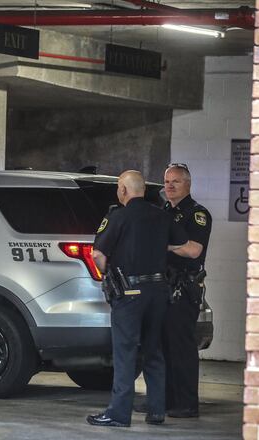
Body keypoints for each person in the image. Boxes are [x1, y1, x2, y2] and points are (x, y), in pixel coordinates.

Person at [86, 170, 189, 428]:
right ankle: (156, 410)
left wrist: (106, 276)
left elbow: (98, 254)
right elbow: (181, 243)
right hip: (158, 291)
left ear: (123, 190)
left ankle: (119, 414)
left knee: (125, 353)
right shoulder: (162, 215)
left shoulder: (118, 216)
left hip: (129, 293)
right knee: (153, 351)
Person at [161, 163, 211, 418]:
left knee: (181, 348)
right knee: (162, 347)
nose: (169, 186)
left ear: (188, 184)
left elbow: (193, 250)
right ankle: (166, 401)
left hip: (184, 288)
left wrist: (164, 246)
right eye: (167, 181)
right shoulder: (161, 211)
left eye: (176, 181)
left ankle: (187, 404)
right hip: (162, 288)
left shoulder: (197, 213)